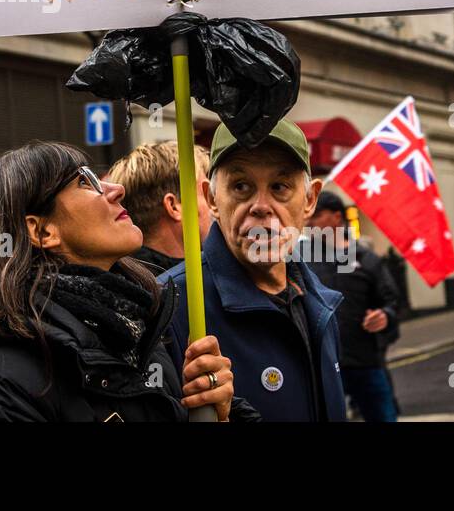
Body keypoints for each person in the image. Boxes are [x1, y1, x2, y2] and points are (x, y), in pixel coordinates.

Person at [0, 141, 257, 422]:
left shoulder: (134, 330)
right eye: (84, 182)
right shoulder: (3, 381)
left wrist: (216, 414)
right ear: (42, 230)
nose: (116, 189)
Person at [161, 119, 347, 421]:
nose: (261, 205)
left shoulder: (320, 302)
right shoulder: (169, 308)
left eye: (279, 187)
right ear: (212, 200)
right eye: (241, 186)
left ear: (310, 199)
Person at [307, 189, 401, 422]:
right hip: (323, 366)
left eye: (317, 215)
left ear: (336, 217)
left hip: (365, 363)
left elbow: (392, 302)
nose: (309, 220)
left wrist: (385, 316)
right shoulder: (303, 259)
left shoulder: (366, 258)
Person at [105, 140, 214, 275]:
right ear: (174, 207)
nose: (215, 204)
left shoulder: (129, 277)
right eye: (205, 194)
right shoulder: (168, 287)